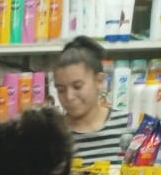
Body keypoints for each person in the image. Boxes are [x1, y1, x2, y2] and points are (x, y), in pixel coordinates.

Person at [53, 36, 129, 164]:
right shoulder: (53, 135)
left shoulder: (127, 127)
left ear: (99, 81)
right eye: (61, 90)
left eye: (77, 87)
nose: (69, 96)